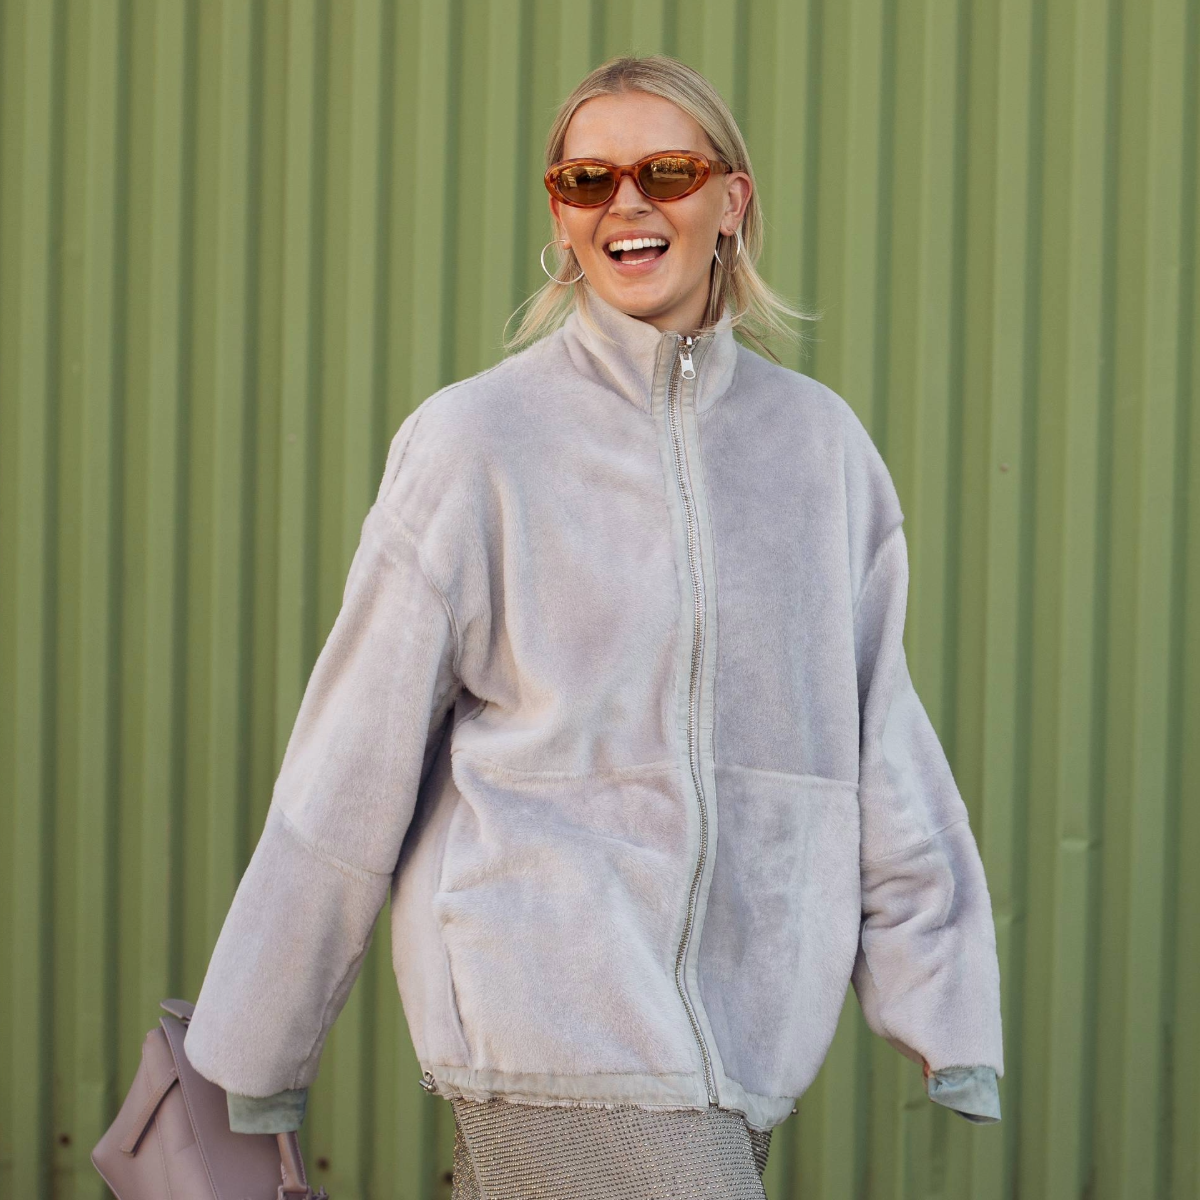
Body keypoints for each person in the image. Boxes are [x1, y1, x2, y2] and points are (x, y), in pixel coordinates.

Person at [184, 53, 1004, 1198]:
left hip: (745, 1029)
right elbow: (349, 760)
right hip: (542, 996)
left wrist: (943, 994)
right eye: (586, 180)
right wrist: (255, 1052)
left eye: (667, 170)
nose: (627, 203)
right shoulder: (479, 440)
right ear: (562, 220)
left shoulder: (821, 452)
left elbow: (883, 742)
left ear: (733, 202)